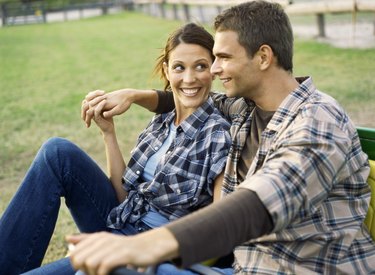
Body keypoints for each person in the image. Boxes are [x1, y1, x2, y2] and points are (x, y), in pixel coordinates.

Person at [68, 1, 375, 274]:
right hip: (242, 265)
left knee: (120, 268)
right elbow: (186, 97)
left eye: (223, 58)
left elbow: (262, 201)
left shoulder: (317, 120)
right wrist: (133, 95)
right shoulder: (246, 108)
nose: (213, 70)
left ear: (264, 57)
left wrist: (149, 244)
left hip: (302, 267)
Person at [0, 23, 231, 275]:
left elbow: (217, 229)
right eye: (179, 67)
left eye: (200, 66)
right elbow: (124, 196)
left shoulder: (217, 135)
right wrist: (108, 133)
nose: (189, 78)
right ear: (166, 69)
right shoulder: (163, 120)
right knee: (57, 152)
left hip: (148, 250)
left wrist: (144, 251)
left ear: (214, 70)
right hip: (121, 220)